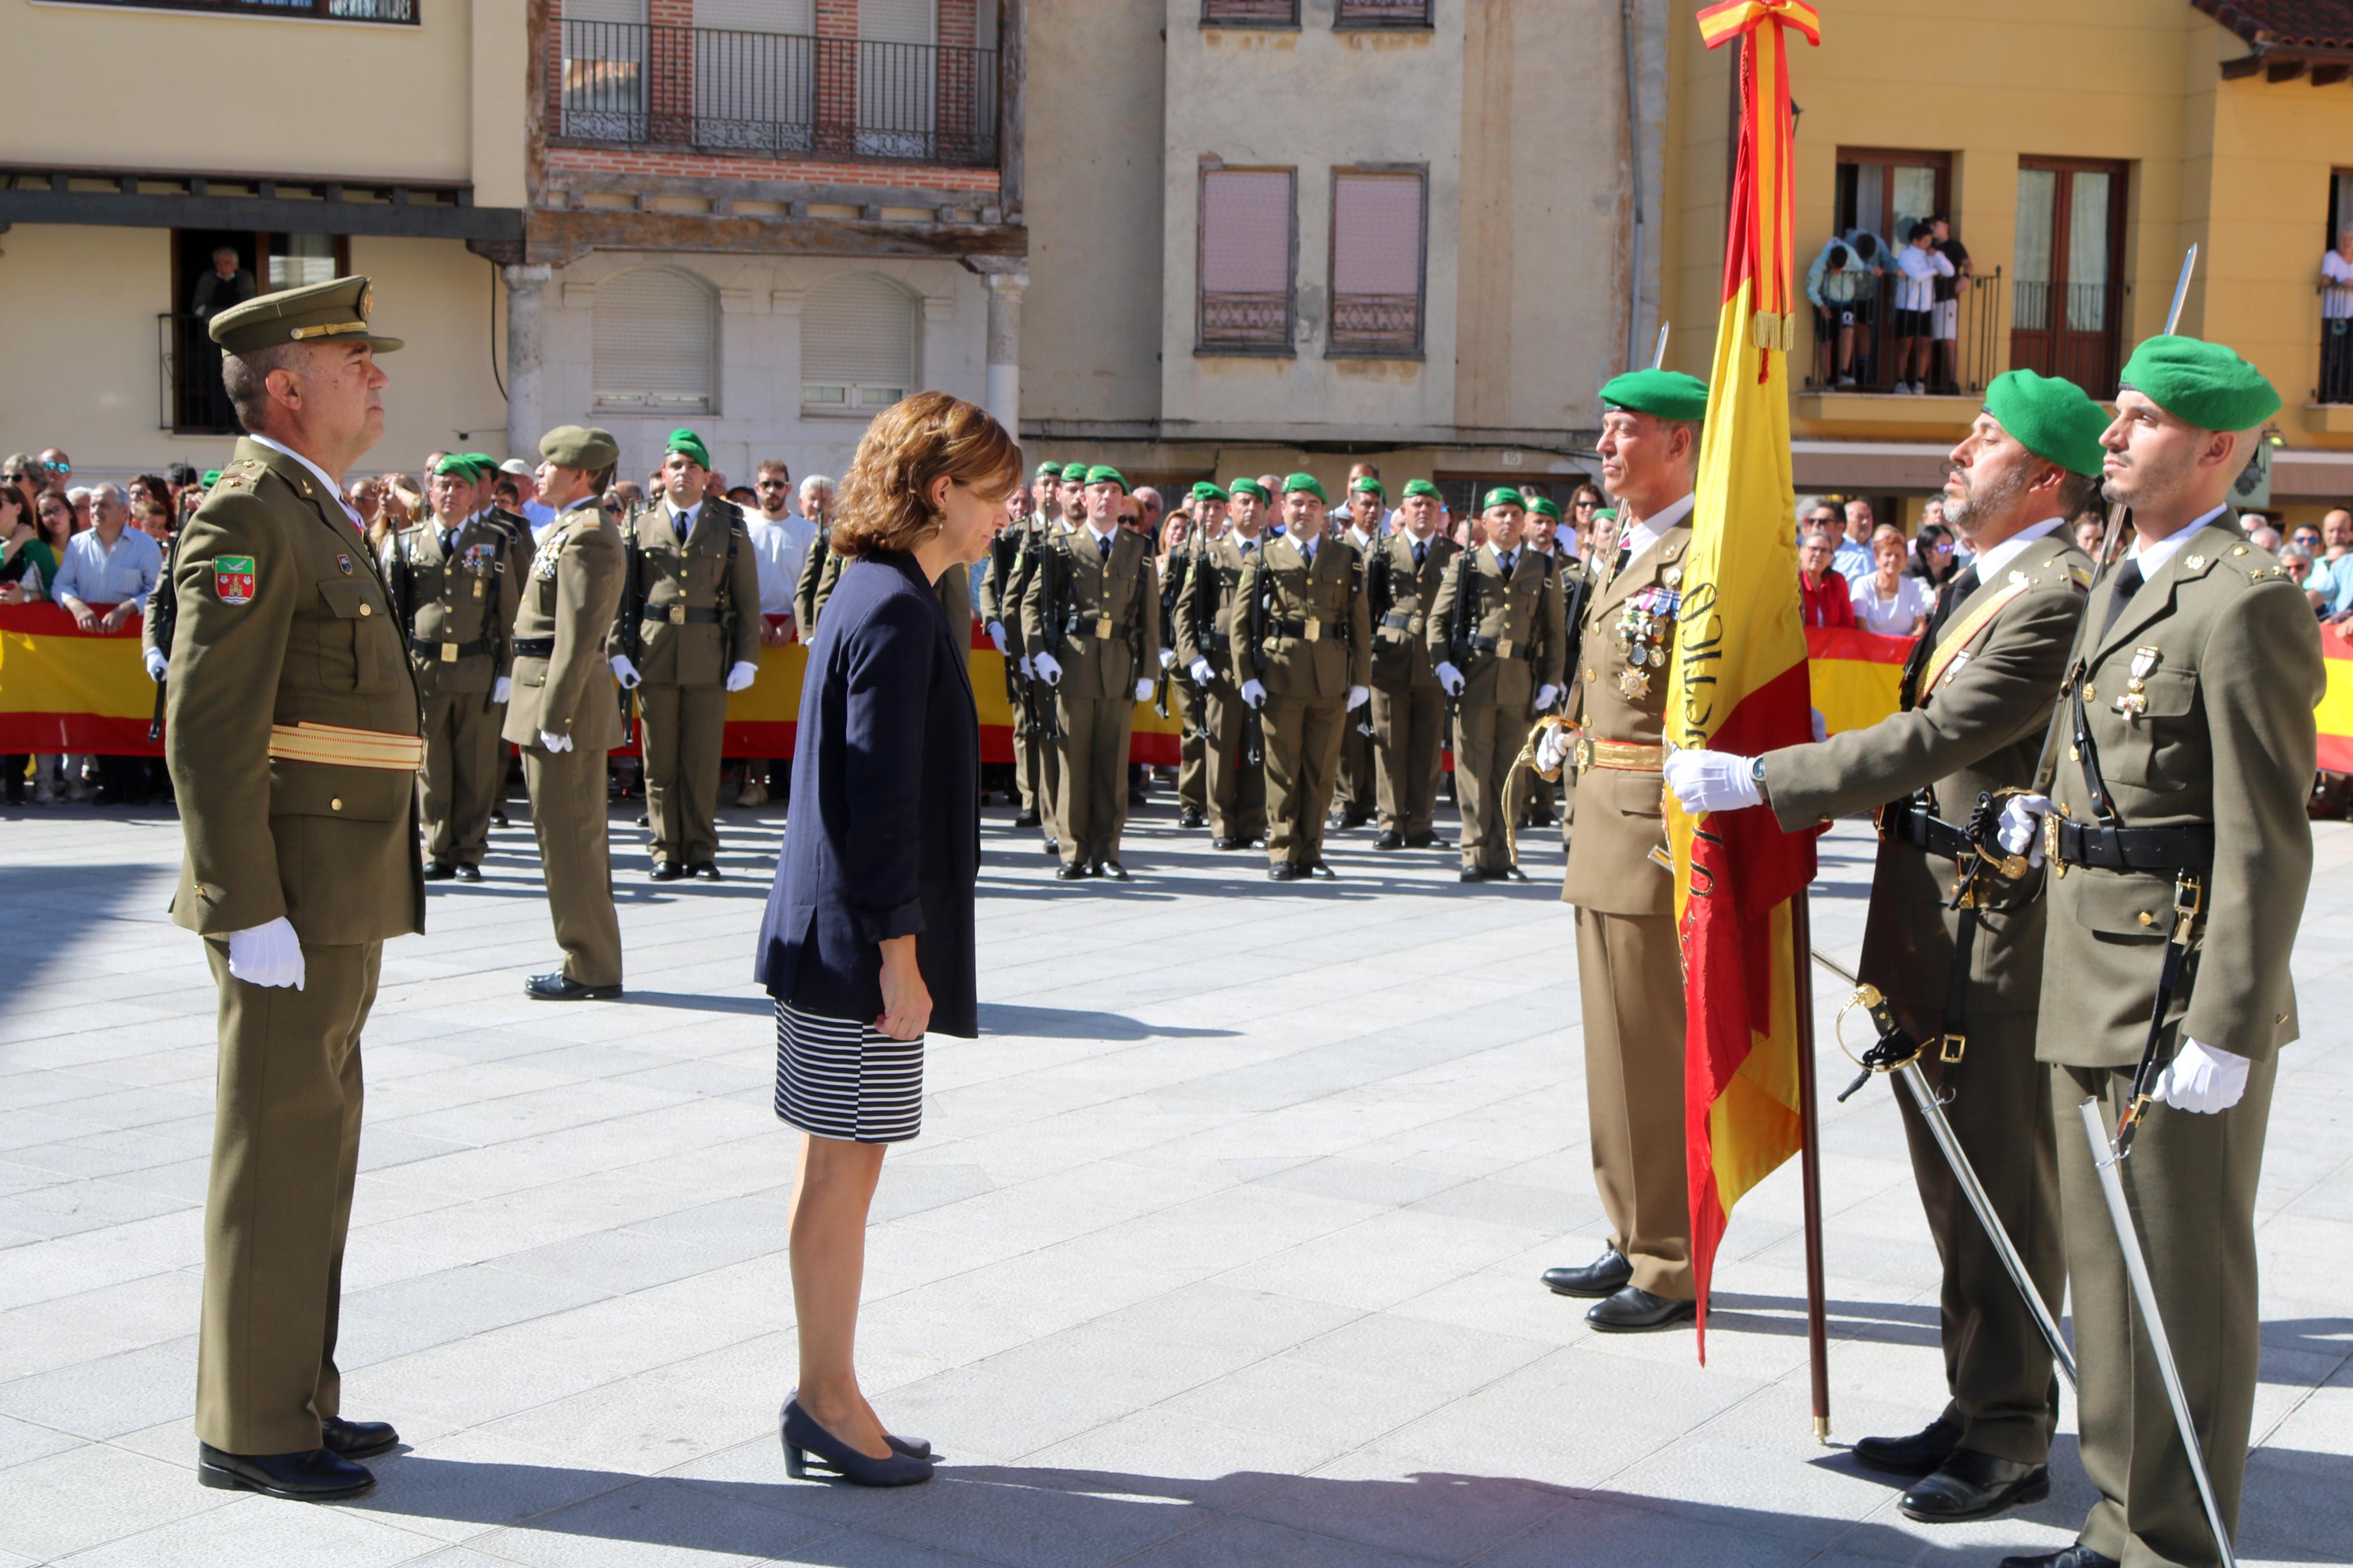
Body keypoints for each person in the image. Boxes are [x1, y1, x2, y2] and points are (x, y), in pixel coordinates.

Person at [1669, 367, 2109, 1527]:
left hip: (1991, 943)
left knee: (1999, 1194)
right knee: (1952, 1193)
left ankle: (2010, 1435)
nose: (1960, 451)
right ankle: (1974, 1405)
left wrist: (1770, 780)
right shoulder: (1986, 582)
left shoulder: (2054, 591)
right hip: (1931, 926)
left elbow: (1947, 733)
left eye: (1986, 440)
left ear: (2042, 478)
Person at [1993, 336, 2322, 1568]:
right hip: (2088, 973)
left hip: (2175, 993)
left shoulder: (2244, 599)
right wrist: (2044, 810)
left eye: (2135, 419)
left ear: (2216, 449)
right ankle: (2114, 1520)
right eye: (2114, 417)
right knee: (2107, 1278)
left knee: (2178, 1286)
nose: (2111, 438)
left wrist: (2226, 1028)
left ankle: (2171, 1544)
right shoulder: (2122, 575)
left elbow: (2262, 840)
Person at [162, 276, 418, 1502]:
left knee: (316, 1144)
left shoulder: (315, 508)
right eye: (350, 356)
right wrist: (240, 901)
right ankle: (252, 1426)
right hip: (289, 894)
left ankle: (297, 1393)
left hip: (337, 884)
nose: (374, 374)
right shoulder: (249, 514)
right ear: (284, 385)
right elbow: (209, 727)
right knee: (275, 1149)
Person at [753, 391, 1012, 1489]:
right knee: (842, 1174)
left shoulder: (880, 588)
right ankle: (824, 1398)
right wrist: (900, 956)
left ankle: (834, 1389)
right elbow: (878, 799)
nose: (1008, 515)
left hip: (836, 933)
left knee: (838, 1167)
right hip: (856, 946)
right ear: (941, 492)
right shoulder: (899, 607)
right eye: (997, 496)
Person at [1538, 367, 1706, 1332]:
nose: (1603, 447)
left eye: (1622, 431)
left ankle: (1670, 1257)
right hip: (1600, 814)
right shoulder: (1626, 549)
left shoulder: (1699, 554)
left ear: (1676, 443)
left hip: (1652, 832)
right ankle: (1630, 1226)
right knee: (1611, 1049)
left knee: (1650, 1049)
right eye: (1602, 430)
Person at [509, 426, 628, 1001]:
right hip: (546, 695)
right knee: (566, 837)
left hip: (565, 707)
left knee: (571, 840)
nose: (540, 472)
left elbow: (579, 637)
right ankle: (589, 957)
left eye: (550, 464)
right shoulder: (568, 527)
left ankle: (589, 964)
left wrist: (554, 717)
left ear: (582, 475)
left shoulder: (588, 536)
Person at [611, 429, 762, 881]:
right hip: (654, 653)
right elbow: (621, 594)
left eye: (692, 467)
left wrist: (745, 658)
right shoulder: (638, 521)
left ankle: (700, 849)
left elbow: (746, 596)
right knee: (658, 762)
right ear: (662, 473)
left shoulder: (730, 523)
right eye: (675, 465)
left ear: (706, 475)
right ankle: (664, 848)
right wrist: (617, 649)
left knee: (699, 761)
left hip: (707, 653)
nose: (683, 473)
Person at [388, 456, 526, 880]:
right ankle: (438, 847)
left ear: (473, 496)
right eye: (443, 486)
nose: (450, 493)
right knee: (432, 766)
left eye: (460, 487)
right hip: (424, 669)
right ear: (430, 493)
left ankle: (468, 850)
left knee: (477, 765)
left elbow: (509, 613)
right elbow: (395, 614)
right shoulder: (406, 543)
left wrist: (508, 670)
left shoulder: (497, 541)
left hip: (477, 668)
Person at [1024, 465, 1158, 880]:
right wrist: (1039, 654)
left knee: (1112, 766)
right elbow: (1031, 604)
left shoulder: (1139, 549)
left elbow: (1151, 616)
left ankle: (1107, 851)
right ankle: (1073, 851)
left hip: (1119, 667)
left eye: (1113, 493)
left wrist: (1149, 670)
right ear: (1085, 498)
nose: (1104, 499)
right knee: (1073, 763)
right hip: (1073, 665)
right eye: (1098, 492)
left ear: (1122, 503)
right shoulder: (1061, 545)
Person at [1231, 475, 1369, 880]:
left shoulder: (1345, 557)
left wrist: (1361, 677)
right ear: (1283, 509)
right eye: (1296, 503)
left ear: (1323, 511)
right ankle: (1281, 851)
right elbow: (1242, 622)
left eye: (1312, 503)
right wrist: (1246, 676)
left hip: (1330, 677)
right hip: (1280, 675)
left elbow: (1358, 621)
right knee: (1281, 769)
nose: (1304, 511)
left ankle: (1311, 851)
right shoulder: (1264, 556)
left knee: (1320, 770)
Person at [1425, 489, 1564, 881]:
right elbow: (1437, 621)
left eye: (1515, 514)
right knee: (1472, 770)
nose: (1508, 521)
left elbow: (1554, 633)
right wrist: (1443, 667)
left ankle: (1503, 856)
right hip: (1473, 679)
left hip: (1521, 681)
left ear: (1524, 522)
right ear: (1484, 522)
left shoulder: (1543, 567)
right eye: (1500, 514)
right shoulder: (1465, 564)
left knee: (1510, 772)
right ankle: (1473, 854)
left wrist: (1551, 683)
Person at [1177, 477, 1270, 852]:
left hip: (1262, 666)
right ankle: (1222, 826)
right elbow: (1184, 609)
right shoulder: (1210, 553)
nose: (1250, 509)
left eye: (1257, 504)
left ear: (1266, 511)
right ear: (1230, 510)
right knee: (1220, 745)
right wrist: (1192, 657)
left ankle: (1252, 823)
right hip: (1220, 666)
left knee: (1257, 747)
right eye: (1243, 503)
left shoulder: (1274, 553)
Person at [1368, 478, 1457, 850]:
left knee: (1426, 744)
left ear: (1440, 514)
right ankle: (1390, 822)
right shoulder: (1382, 551)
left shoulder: (1455, 555)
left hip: (1433, 662)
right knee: (1389, 744)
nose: (1423, 511)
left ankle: (1420, 823)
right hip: (1390, 658)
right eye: (1416, 505)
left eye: (1430, 506)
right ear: (1402, 512)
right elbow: (1368, 607)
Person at [1332, 474, 1387, 831]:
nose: (1371, 511)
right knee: (1347, 728)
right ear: (1351, 509)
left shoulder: (1388, 546)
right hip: (1347, 646)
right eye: (1364, 504)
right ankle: (1344, 800)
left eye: (1376, 505)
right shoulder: (1339, 546)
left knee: (1375, 727)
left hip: (1381, 647)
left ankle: (1371, 799)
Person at [1892, 221, 1955, 395]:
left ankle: (1919, 381)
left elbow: (1950, 272)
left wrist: (1938, 257)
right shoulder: (1906, 256)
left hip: (1926, 307)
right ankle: (1900, 381)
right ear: (1915, 241)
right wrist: (1935, 271)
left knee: (1925, 344)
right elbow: (1917, 276)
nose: (1930, 244)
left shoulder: (1931, 256)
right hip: (1907, 307)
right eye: (1926, 241)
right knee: (1905, 344)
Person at [1849, 524, 1935, 637]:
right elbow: (1860, 628)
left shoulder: (1913, 588)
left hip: (1904, 652)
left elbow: (1920, 627)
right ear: (1877, 558)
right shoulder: (1862, 585)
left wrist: (1901, 647)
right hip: (1868, 651)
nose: (1893, 559)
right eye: (1888, 555)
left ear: (1906, 561)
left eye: (1898, 556)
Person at [1807, 240, 1865, 387]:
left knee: (1848, 332)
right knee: (1826, 341)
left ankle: (1843, 373)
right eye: (1835, 266)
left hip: (1846, 302)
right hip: (1827, 302)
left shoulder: (1851, 254)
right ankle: (1828, 379)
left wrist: (1845, 269)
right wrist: (1821, 305)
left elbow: (1861, 272)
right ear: (1830, 260)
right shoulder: (1820, 264)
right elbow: (1811, 287)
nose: (1836, 270)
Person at [1928, 214, 1974, 395]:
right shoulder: (1928, 248)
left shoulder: (1955, 247)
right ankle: (1922, 382)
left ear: (1945, 225)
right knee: (1925, 342)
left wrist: (1965, 278)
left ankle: (1953, 382)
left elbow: (1968, 264)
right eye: (1931, 225)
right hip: (1926, 300)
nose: (1933, 228)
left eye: (1936, 224)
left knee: (1949, 341)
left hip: (1947, 299)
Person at [1798, 529, 1858, 627]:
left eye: (1824, 550)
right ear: (1801, 552)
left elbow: (1848, 624)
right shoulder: (1792, 581)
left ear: (1831, 557)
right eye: (1813, 548)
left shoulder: (1838, 581)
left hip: (1833, 642)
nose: (1818, 554)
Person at [2322, 226, 2353, 405]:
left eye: (2350, 239)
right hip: (2333, 316)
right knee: (2332, 354)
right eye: (2344, 238)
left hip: (2351, 315)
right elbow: (2325, 279)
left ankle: (2346, 394)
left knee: (2348, 355)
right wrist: (2340, 283)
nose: (2347, 242)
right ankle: (2331, 393)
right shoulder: (2331, 257)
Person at [1911, 521, 1962, 586]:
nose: (1949, 553)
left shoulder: (1955, 562)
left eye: (1951, 547)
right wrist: (1951, 583)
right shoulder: (1913, 567)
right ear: (1926, 551)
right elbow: (1923, 594)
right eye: (1943, 549)